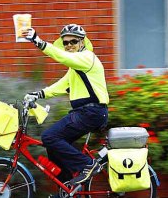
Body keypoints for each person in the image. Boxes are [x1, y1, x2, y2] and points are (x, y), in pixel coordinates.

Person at [21, 24, 109, 191]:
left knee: (49, 137)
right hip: (84, 113)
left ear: (82, 42)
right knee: (53, 148)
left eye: (73, 42)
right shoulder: (76, 68)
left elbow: (61, 57)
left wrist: (38, 41)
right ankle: (67, 189)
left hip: (91, 112)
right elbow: (62, 86)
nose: (69, 46)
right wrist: (38, 94)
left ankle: (88, 165)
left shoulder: (87, 58)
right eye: (65, 43)